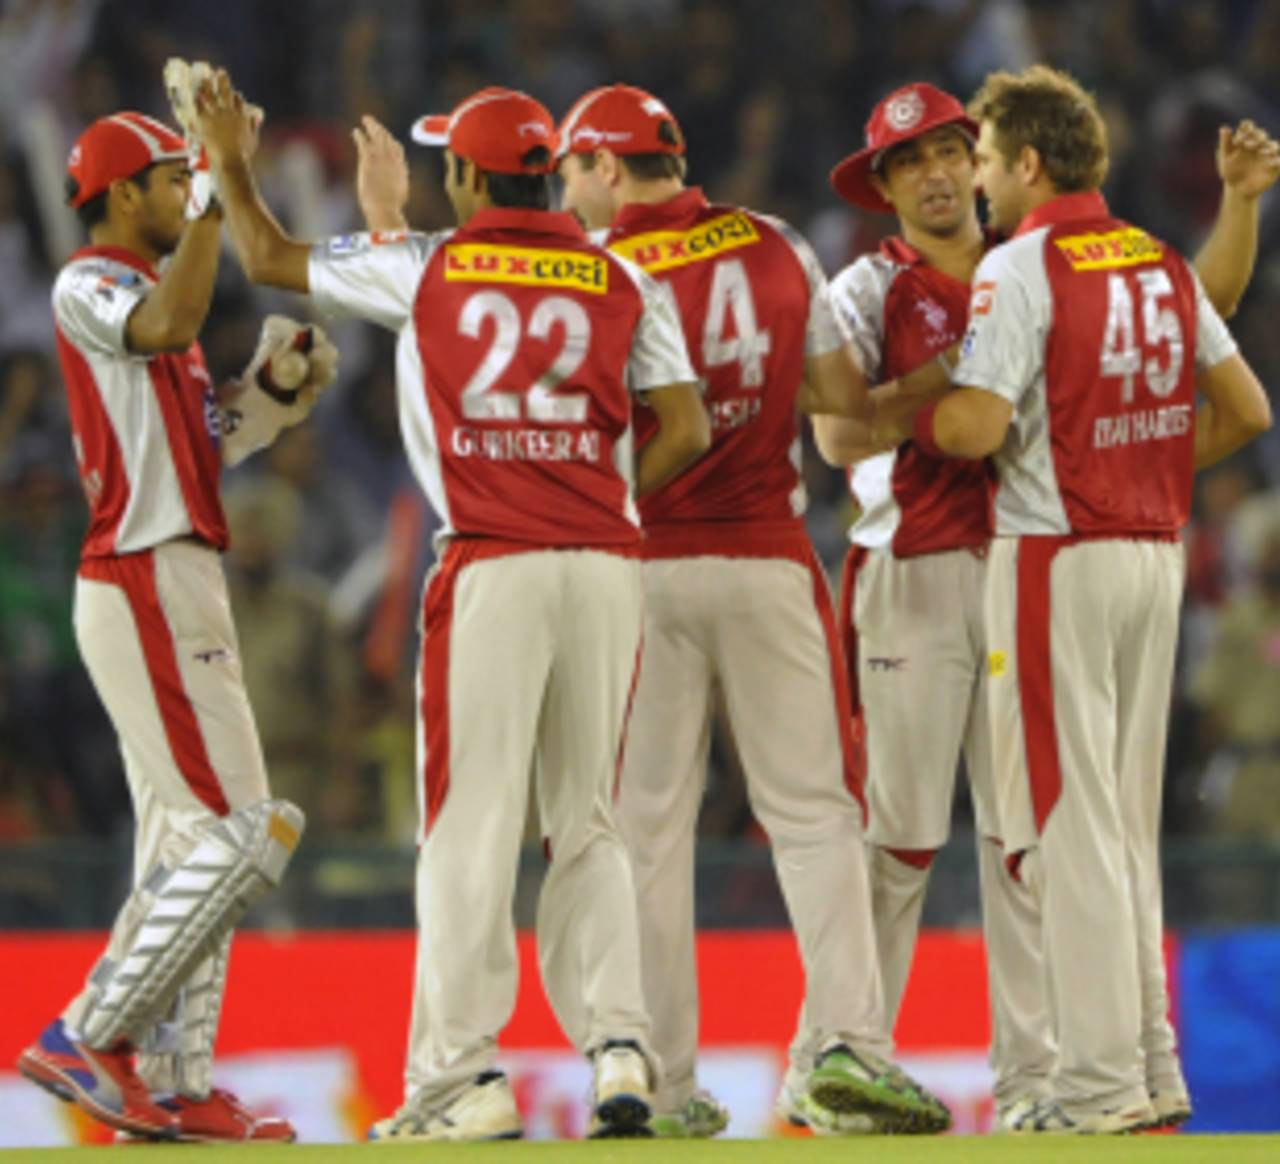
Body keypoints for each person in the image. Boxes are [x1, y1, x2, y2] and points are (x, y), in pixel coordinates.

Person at [194, 72, 712, 1141]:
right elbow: (686, 425)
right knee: (590, 822)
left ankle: (459, 1078)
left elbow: (266, 258)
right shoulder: (622, 278)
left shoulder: (427, 261)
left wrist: (234, 166)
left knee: (468, 825)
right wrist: (601, 490)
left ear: (467, 178)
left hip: (492, 563)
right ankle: (621, 1046)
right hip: (606, 566)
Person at [813, 82, 1280, 1130]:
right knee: (917, 834)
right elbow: (837, 440)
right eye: (911, 162)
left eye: (955, 150)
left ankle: (1057, 1080)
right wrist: (1131, 470)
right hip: (935, 570)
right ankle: (851, 1056)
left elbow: (981, 424)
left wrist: (1019, 442)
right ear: (882, 187)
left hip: (1038, 560)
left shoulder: (1019, 264)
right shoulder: (865, 286)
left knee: (1038, 837)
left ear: (1007, 167)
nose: (943, 172)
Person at [552, 84, 948, 1137]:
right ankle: (851, 1049)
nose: (568, 194)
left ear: (601, 166)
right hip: (768, 560)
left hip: (641, 564)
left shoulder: (592, 270)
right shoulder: (775, 244)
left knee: (643, 832)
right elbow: (835, 399)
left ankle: (665, 1085)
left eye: (571, 172)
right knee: (816, 815)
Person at [15, 109, 337, 1143]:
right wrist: (215, 184)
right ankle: (88, 1029)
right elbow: (169, 326)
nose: (177, 194)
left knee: (190, 846)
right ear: (121, 195)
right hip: (145, 572)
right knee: (251, 828)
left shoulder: (150, 300)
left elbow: (205, 439)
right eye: (164, 180)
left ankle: (177, 1082)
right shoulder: (91, 282)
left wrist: (275, 394)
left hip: (173, 571)